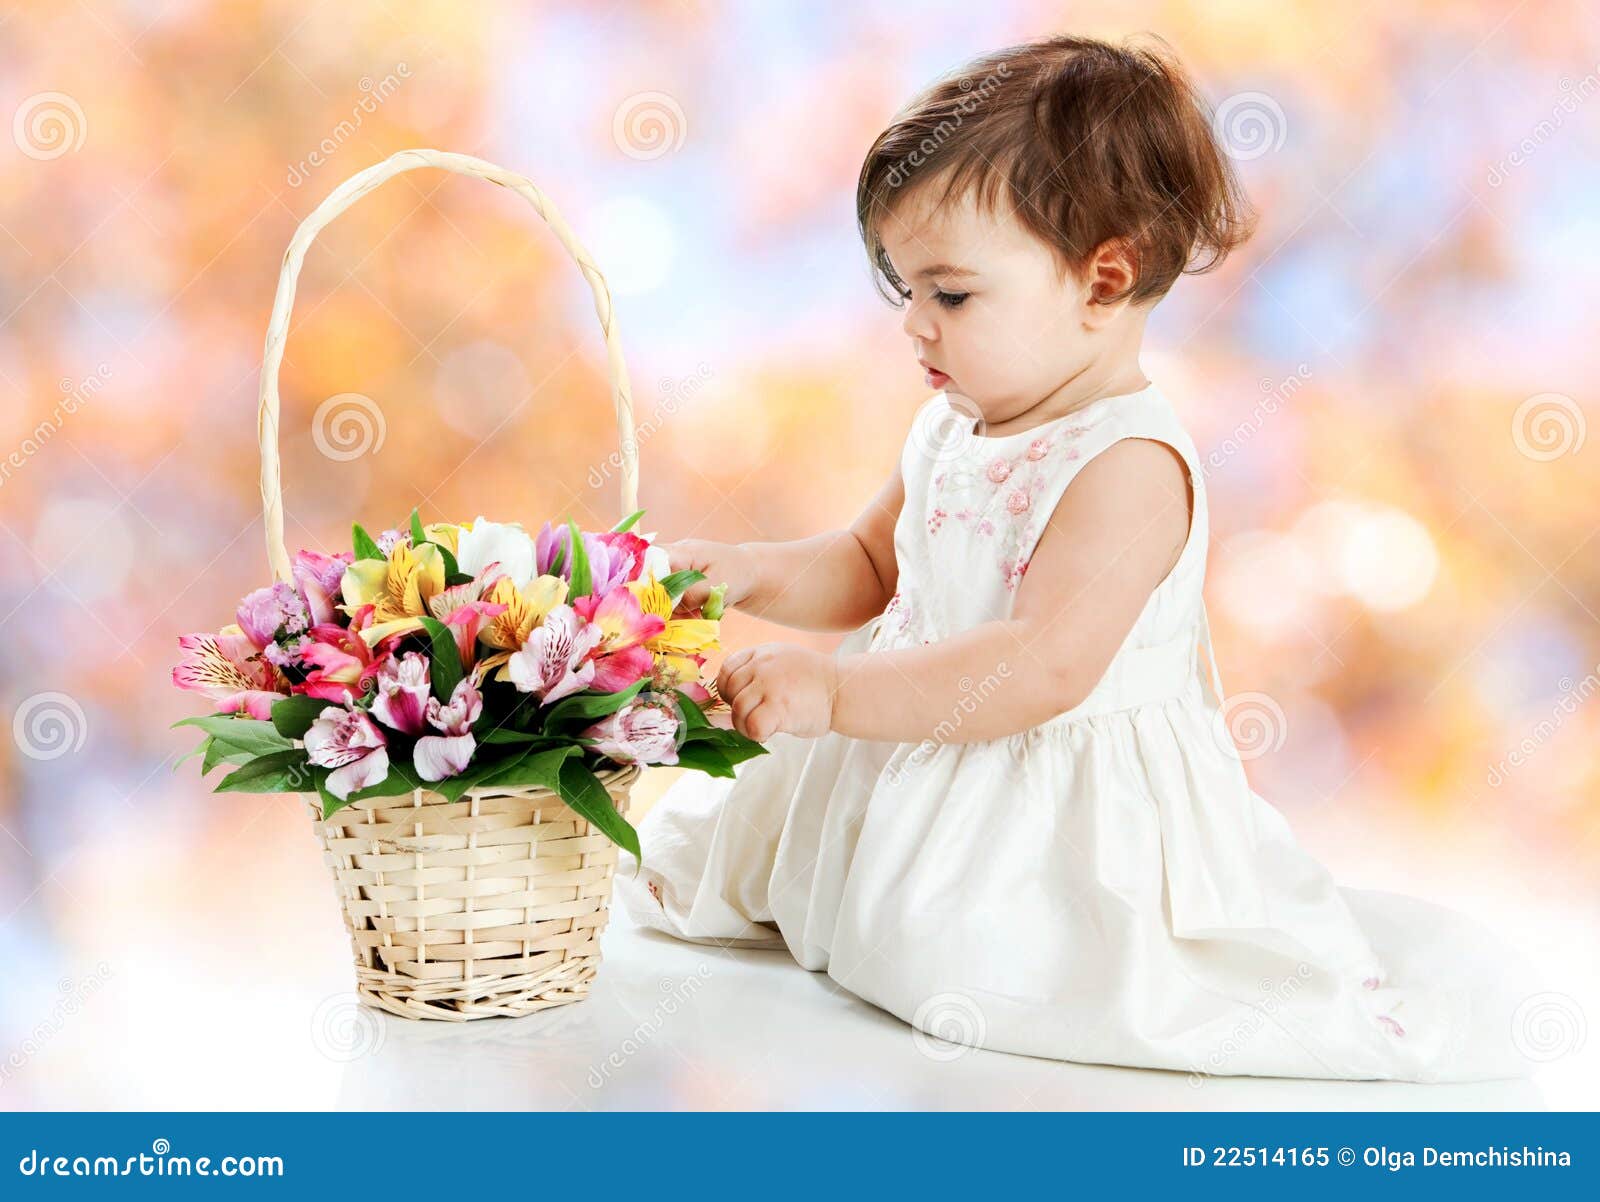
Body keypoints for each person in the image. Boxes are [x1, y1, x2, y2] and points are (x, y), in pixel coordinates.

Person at [616, 33, 1544, 1082]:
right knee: (728, 869)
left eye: (951, 295)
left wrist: (832, 691)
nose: (915, 324)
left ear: (1104, 279)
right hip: (908, 732)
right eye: (901, 289)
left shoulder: (1126, 463)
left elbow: (1040, 666)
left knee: (965, 967)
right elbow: (870, 565)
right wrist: (742, 571)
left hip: (1042, 788)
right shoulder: (954, 426)